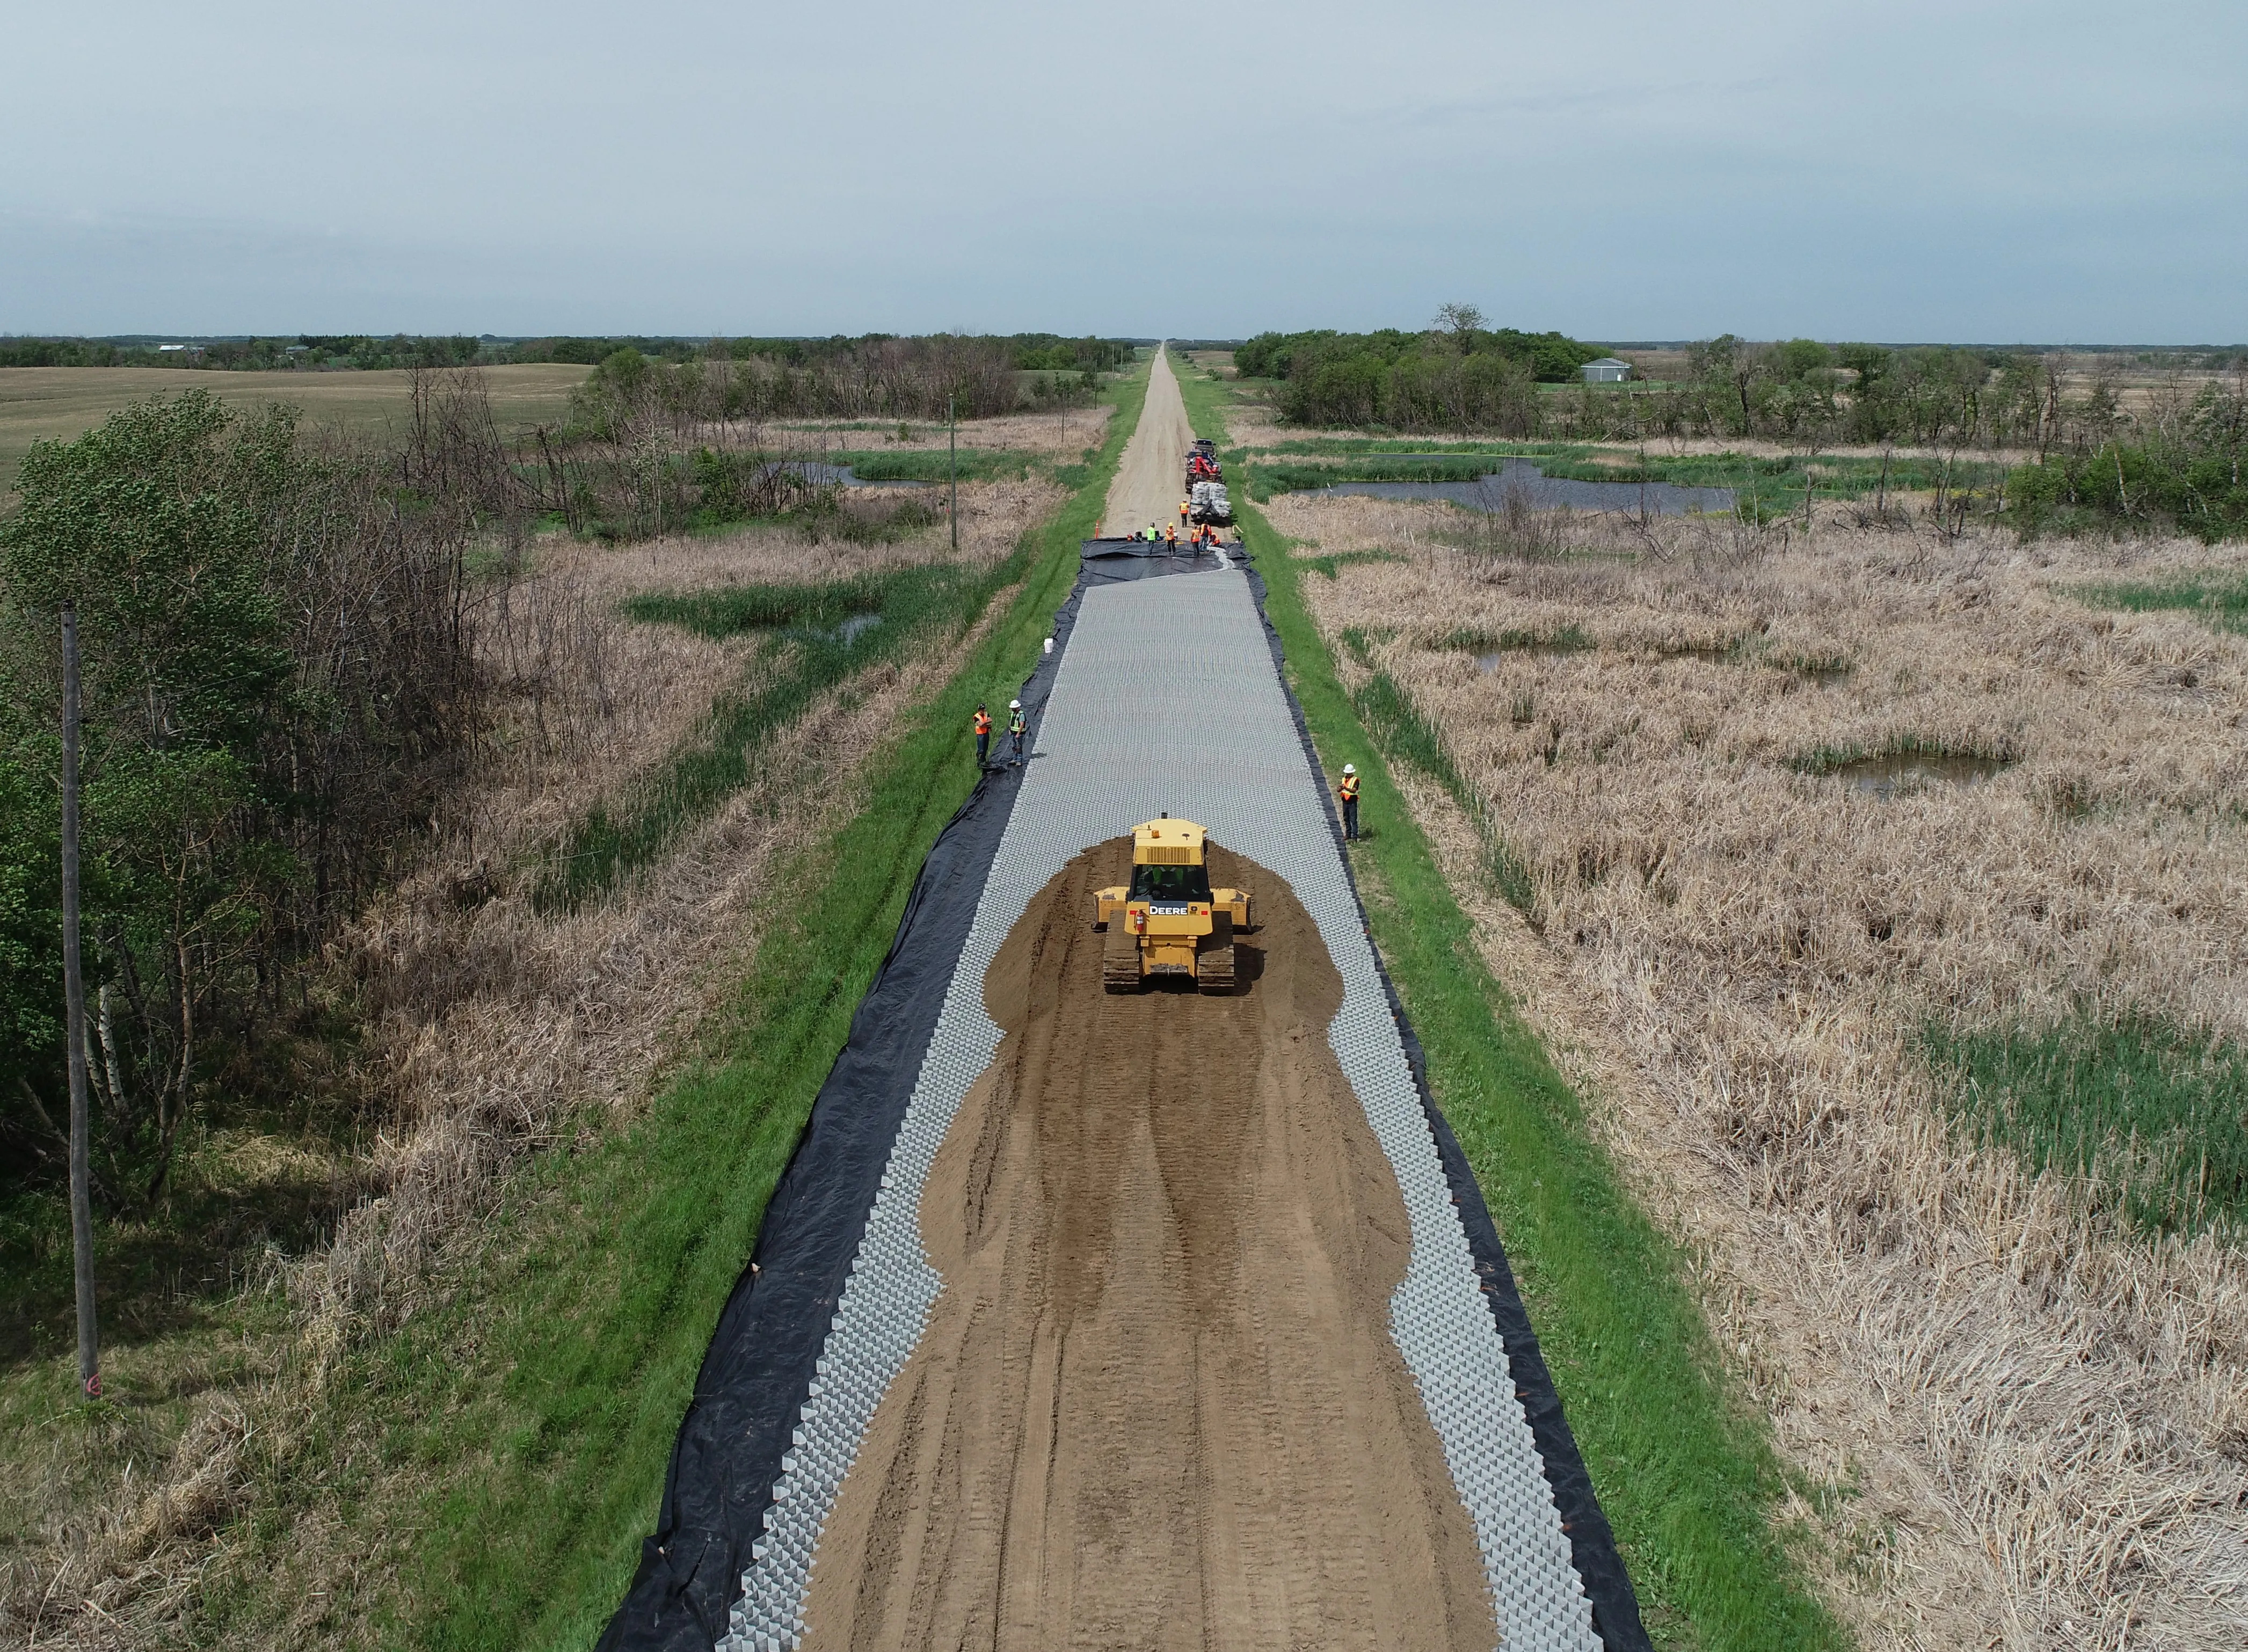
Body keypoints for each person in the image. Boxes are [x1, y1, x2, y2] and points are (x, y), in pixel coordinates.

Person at [1338, 762, 1361, 840]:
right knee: (1346, 818)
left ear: (1352, 773)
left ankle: (1354, 836)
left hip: (1352, 802)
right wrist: (1340, 788)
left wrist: (1346, 788)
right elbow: (1339, 790)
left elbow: (1354, 791)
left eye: (1349, 773)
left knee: (1353, 819)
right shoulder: (1344, 779)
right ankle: (1348, 834)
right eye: (1347, 773)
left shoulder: (1356, 780)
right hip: (1345, 802)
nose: (1347, 774)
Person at [1008, 699, 1026, 765]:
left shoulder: (1021, 715)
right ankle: (1015, 759)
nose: (1012, 709)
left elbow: (1022, 725)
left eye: (1013, 708)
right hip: (1013, 733)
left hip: (1019, 734)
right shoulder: (1013, 713)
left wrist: (1018, 734)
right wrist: (1010, 729)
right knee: (1014, 747)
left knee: (1019, 747)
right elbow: (1011, 721)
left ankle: (1019, 761)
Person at [973, 703, 992, 767]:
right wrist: (987, 725)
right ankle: (979, 761)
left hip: (986, 733)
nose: (983, 711)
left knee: (986, 748)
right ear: (979, 709)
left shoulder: (986, 714)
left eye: (983, 709)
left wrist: (984, 724)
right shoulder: (976, 717)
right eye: (981, 709)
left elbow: (990, 720)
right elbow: (980, 725)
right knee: (981, 749)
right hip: (980, 734)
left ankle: (984, 760)